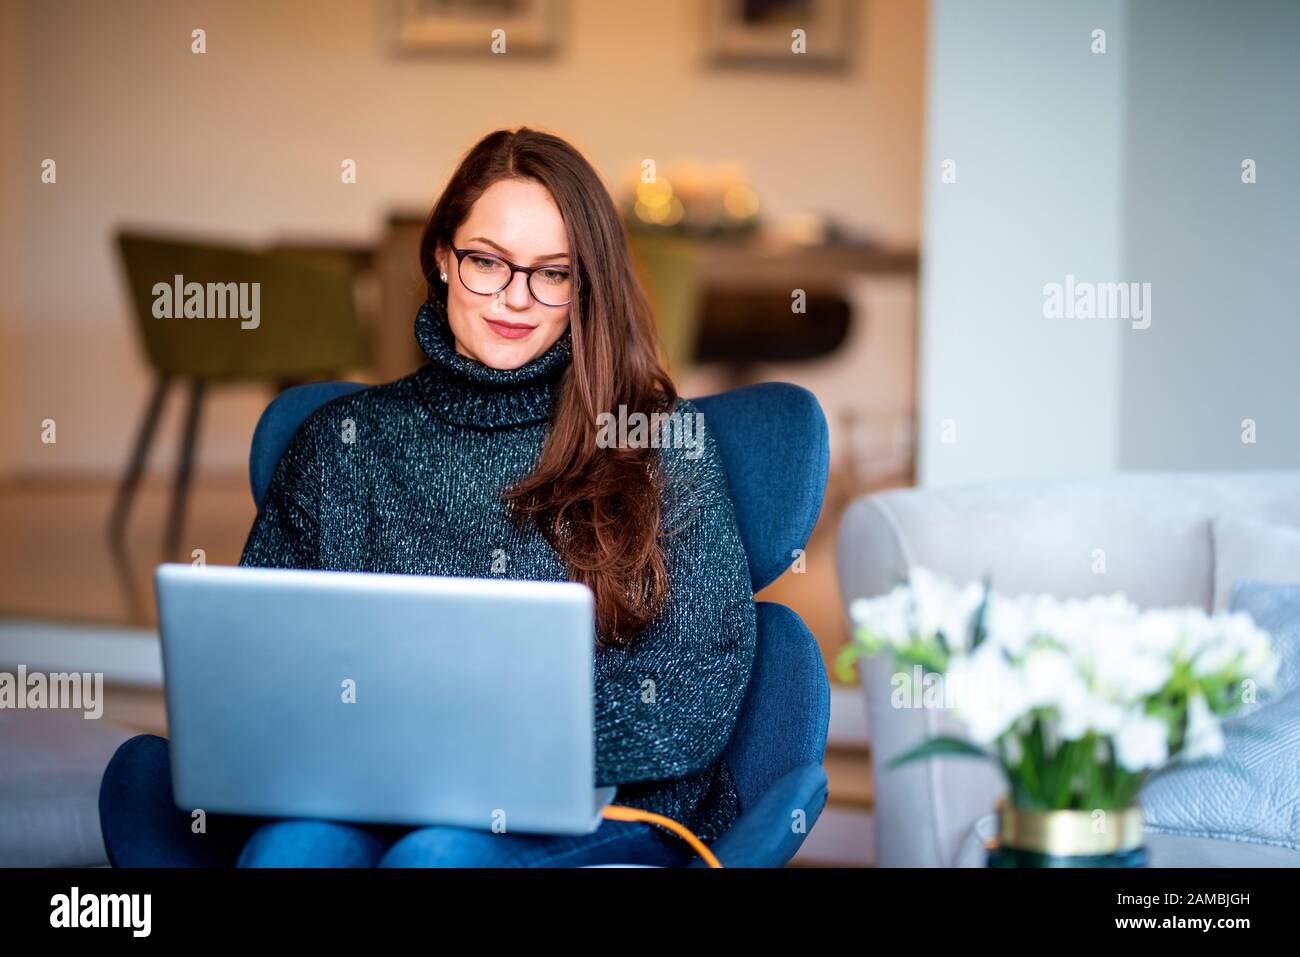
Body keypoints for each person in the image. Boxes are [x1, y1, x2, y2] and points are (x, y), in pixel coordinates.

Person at [99, 127, 758, 867]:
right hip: (367, 790)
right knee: (290, 848)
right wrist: (397, 752)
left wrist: (463, 747)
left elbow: (695, 693)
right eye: (486, 262)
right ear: (443, 258)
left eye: (552, 273)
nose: (515, 297)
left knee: (437, 854)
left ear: (585, 289)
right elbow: (261, 673)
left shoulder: (656, 443)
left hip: (609, 800)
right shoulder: (339, 443)